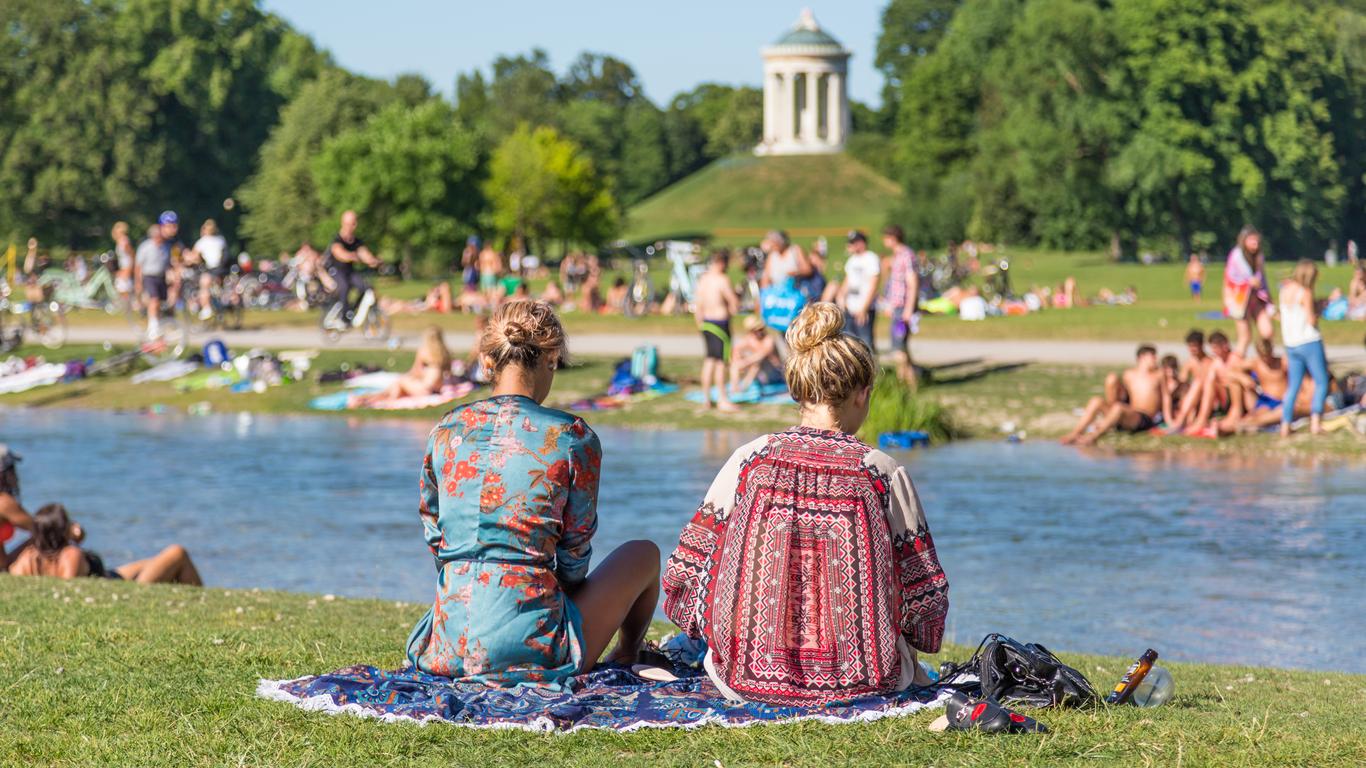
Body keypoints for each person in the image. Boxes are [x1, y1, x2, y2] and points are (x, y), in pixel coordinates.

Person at [662, 303, 949, 706]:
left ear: (800, 392)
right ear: (862, 394)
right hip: (866, 681)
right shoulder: (881, 472)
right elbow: (927, 604)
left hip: (744, 680)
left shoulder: (751, 458)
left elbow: (685, 573)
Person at [405, 300, 660, 686]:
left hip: (446, 640)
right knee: (644, 553)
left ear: (487, 362)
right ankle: (626, 653)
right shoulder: (572, 437)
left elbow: (437, 537)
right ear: (552, 358)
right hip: (529, 645)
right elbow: (574, 555)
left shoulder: (446, 429)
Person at [8, 503, 201, 585]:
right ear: (62, 527)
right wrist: (75, 535)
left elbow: (13, 572)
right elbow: (68, 585)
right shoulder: (69, 554)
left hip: (112, 575)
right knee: (177, 552)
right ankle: (200, 602)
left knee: (147, 563)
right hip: (119, 587)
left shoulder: (28, 556)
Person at [1061, 345, 1170, 445]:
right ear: (1141, 357)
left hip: (1143, 418)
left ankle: (1093, 437)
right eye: (1153, 356)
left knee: (1119, 408)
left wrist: (1169, 420)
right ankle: (1075, 433)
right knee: (1096, 400)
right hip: (1126, 413)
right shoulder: (1128, 374)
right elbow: (1123, 396)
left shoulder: (1159, 374)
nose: (1156, 359)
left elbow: (1166, 397)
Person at [1280, 260, 1329, 436]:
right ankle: (1316, 423)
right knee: (1322, 381)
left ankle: (1285, 425)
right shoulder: (1305, 291)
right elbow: (1311, 320)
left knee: (1293, 386)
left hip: (1291, 344)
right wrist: (1322, 309)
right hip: (1309, 341)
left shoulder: (1284, 290)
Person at [356, 327, 453, 406]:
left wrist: (408, 377)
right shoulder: (445, 352)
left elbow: (415, 371)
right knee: (401, 387)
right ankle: (374, 399)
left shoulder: (424, 351)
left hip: (425, 389)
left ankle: (382, 400)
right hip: (437, 389)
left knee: (399, 382)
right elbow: (448, 372)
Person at [694, 250, 740, 413]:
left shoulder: (703, 279)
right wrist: (736, 305)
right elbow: (733, 302)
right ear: (721, 263)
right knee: (721, 362)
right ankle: (722, 399)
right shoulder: (722, 279)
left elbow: (697, 305)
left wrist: (700, 324)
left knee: (709, 360)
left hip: (705, 323)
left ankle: (706, 399)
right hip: (720, 324)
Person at [324, 210, 381, 328]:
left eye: (354, 223)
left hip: (349, 272)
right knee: (344, 287)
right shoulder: (337, 240)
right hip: (336, 271)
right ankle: (343, 317)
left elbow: (364, 253)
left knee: (366, 287)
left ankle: (351, 310)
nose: (353, 226)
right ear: (343, 223)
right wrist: (354, 256)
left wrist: (374, 261)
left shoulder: (356, 241)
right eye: (350, 223)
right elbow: (339, 253)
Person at [1223, 226, 1273, 358]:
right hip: (1239, 301)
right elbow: (1247, 277)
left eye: (1256, 241)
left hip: (1256, 299)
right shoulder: (1237, 255)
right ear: (1244, 240)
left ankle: (1264, 361)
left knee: (1267, 332)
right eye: (1252, 240)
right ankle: (1235, 366)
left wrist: (1269, 300)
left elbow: (1262, 279)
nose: (1255, 244)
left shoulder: (1258, 257)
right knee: (1245, 337)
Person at [134, 212, 183, 339]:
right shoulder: (145, 247)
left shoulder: (167, 246)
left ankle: (167, 325)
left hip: (161, 277)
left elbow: (171, 263)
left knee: (166, 303)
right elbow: (138, 266)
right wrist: (138, 282)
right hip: (149, 276)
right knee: (154, 300)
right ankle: (153, 327)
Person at [882, 225, 920, 387]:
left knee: (898, 349)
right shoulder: (897, 256)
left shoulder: (906, 255)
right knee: (902, 348)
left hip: (903, 308)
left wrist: (908, 310)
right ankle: (911, 383)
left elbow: (913, 283)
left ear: (892, 238)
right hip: (897, 307)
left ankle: (904, 384)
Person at [837, 231, 881, 352]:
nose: (849, 246)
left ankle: (871, 369)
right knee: (850, 343)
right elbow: (847, 281)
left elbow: (874, 284)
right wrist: (841, 297)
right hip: (850, 308)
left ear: (861, 243)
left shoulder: (871, 258)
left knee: (865, 343)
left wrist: (864, 308)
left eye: (852, 243)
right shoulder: (852, 260)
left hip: (864, 309)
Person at [0, 445, 35, 572]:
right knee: (47, 537)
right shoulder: (3, 503)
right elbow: (42, 529)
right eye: (11, 469)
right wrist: (72, 531)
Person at [729, 315, 782, 394]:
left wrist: (745, 362)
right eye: (755, 330)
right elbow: (736, 349)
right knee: (736, 363)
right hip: (761, 372)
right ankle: (735, 387)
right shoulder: (750, 338)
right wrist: (737, 357)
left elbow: (762, 354)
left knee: (756, 363)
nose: (759, 332)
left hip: (774, 372)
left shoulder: (768, 339)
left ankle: (744, 387)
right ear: (750, 331)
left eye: (760, 329)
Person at [192, 219, 229, 320]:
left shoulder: (203, 241)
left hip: (213, 269)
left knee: (204, 285)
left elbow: (194, 256)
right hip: (220, 269)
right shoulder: (220, 239)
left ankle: (206, 308)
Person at [111, 222, 136, 306]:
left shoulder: (124, 241)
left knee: (124, 288)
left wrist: (128, 270)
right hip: (123, 267)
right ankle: (126, 306)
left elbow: (131, 256)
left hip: (126, 267)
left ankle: (129, 306)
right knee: (120, 288)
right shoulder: (120, 241)